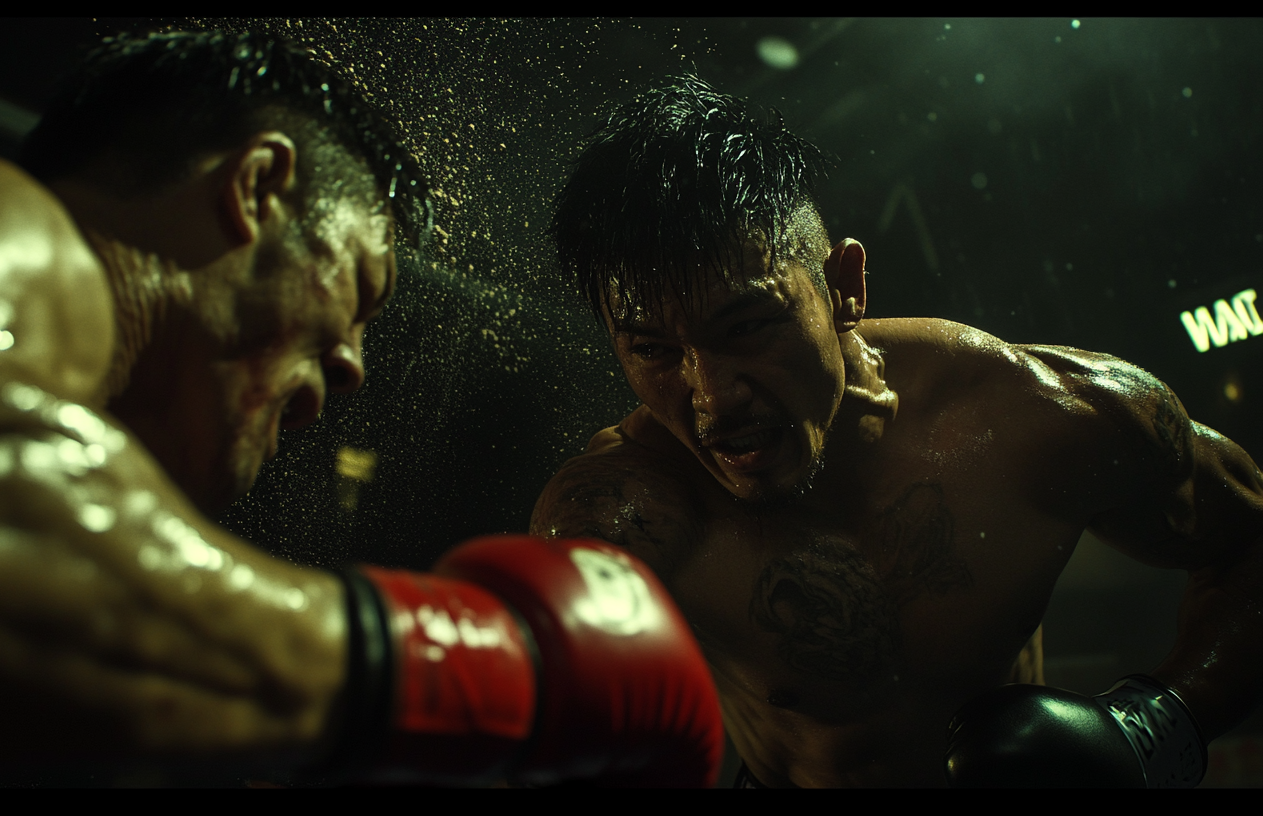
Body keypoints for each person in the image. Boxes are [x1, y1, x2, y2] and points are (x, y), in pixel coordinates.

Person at [0, 32, 723, 787]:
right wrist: (477, 669)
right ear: (256, 190)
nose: (354, 366)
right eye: (358, 293)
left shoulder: (60, 556)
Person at [533, 74, 1263, 788]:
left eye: (748, 325)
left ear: (844, 285)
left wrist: (1160, 727)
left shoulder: (1034, 419)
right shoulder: (620, 519)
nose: (713, 400)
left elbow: (1250, 537)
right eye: (655, 351)